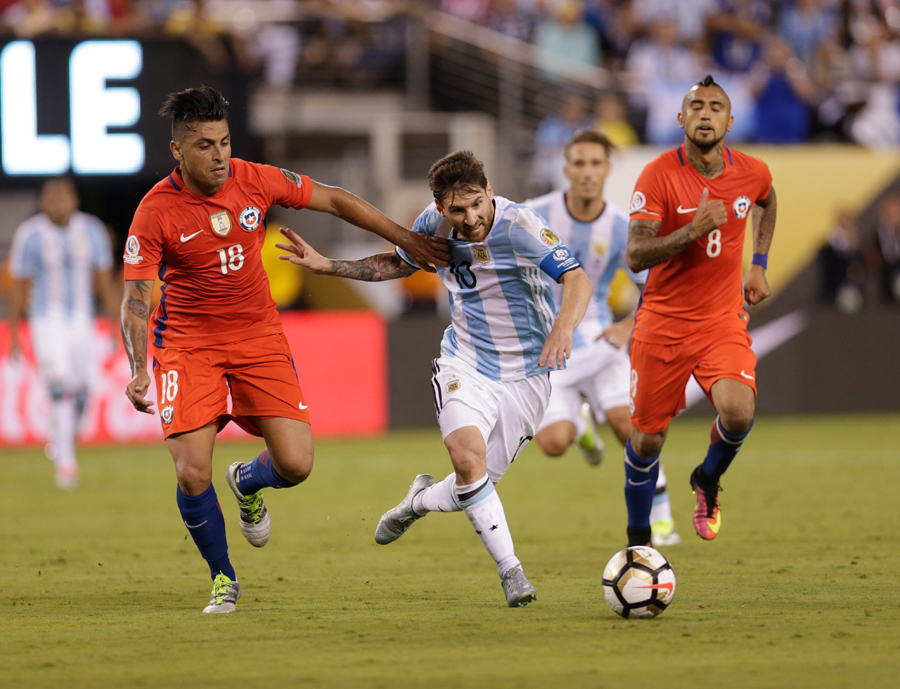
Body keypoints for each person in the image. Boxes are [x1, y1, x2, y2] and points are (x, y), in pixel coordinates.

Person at [119, 86, 450, 614]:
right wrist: (140, 367)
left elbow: (337, 198)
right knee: (190, 471)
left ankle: (248, 481)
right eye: (205, 145)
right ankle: (223, 577)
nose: (220, 155)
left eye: (224, 142)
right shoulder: (155, 211)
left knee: (296, 464)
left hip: (257, 337)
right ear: (178, 150)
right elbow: (137, 298)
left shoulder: (255, 179)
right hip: (189, 345)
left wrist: (404, 237)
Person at [277, 150, 593, 607]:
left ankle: (418, 501)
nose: (470, 219)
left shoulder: (521, 225)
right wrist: (330, 266)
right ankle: (512, 572)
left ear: (489, 192)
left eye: (477, 204)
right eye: (457, 211)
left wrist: (562, 328)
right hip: (465, 361)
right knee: (467, 460)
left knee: (476, 485)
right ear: (441, 208)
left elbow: (577, 279)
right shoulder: (432, 222)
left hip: (527, 374)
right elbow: (398, 264)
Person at [624, 75, 776, 547]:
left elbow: (767, 203)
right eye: (696, 106)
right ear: (680, 118)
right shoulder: (657, 174)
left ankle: (707, 480)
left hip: (720, 323)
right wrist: (693, 229)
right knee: (648, 442)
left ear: (730, 120)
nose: (705, 113)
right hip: (662, 325)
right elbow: (636, 255)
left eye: (715, 107)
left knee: (738, 413)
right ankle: (639, 543)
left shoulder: (752, 172)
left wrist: (759, 265)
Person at [525, 129, 681, 547]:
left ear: (608, 170)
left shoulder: (620, 226)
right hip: (546, 347)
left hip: (598, 339)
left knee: (630, 428)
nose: (587, 173)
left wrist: (628, 325)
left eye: (596, 164)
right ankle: (579, 424)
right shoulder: (532, 215)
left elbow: (658, 285)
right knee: (554, 444)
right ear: (566, 170)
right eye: (579, 163)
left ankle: (662, 516)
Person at [7, 177, 119, 490]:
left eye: (63, 197)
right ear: (43, 203)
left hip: (82, 319)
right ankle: (66, 465)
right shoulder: (30, 235)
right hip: (46, 319)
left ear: (74, 200)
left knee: (85, 388)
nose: (57, 204)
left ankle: (63, 437)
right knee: (59, 384)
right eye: (51, 198)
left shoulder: (92, 230)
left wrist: (113, 324)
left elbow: (104, 278)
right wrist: (15, 332)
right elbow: (18, 284)